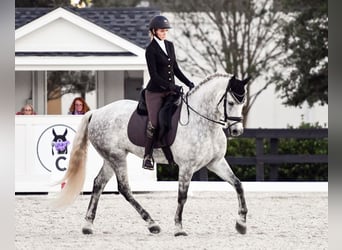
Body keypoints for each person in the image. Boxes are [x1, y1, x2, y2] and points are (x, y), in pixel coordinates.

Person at [142, 15, 195, 170]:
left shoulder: (170, 45)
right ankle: (147, 156)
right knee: (154, 123)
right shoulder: (150, 50)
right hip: (155, 92)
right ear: (154, 31)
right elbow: (155, 77)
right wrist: (172, 87)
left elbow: (175, 69)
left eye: (166, 31)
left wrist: (188, 83)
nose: (164, 33)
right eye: (161, 30)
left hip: (171, 91)